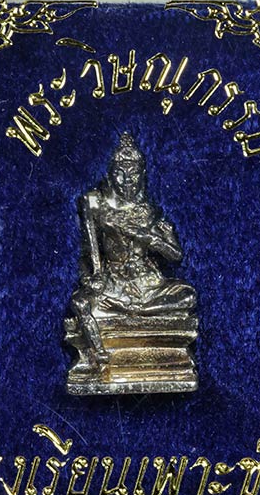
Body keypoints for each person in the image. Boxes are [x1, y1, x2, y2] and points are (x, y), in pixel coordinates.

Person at [71, 133, 196, 368]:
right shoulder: (99, 208)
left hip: (147, 283)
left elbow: (175, 255)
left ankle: (137, 310)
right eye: (120, 174)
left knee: (188, 296)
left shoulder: (148, 211)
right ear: (111, 175)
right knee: (81, 305)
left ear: (142, 175)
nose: (127, 181)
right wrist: (89, 278)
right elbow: (87, 254)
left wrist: (148, 237)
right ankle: (100, 355)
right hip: (113, 283)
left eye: (133, 174)